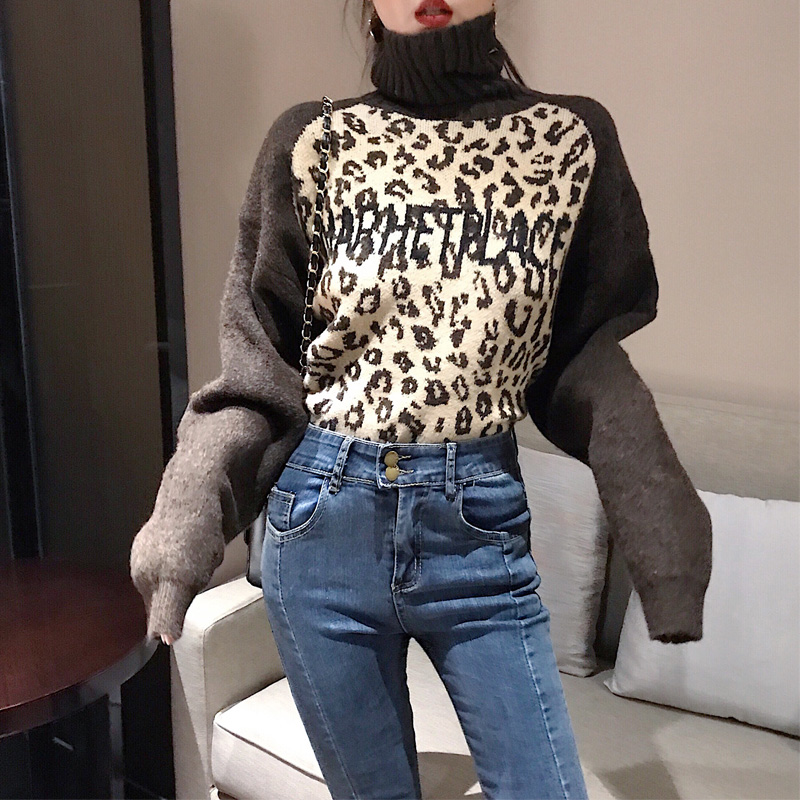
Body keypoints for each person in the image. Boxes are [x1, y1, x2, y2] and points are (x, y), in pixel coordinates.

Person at [130, 1, 713, 797]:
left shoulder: (570, 141)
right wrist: (184, 525)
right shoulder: (313, 142)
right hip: (322, 526)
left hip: (477, 534)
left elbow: (581, 357)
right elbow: (260, 373)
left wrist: (665, 537)